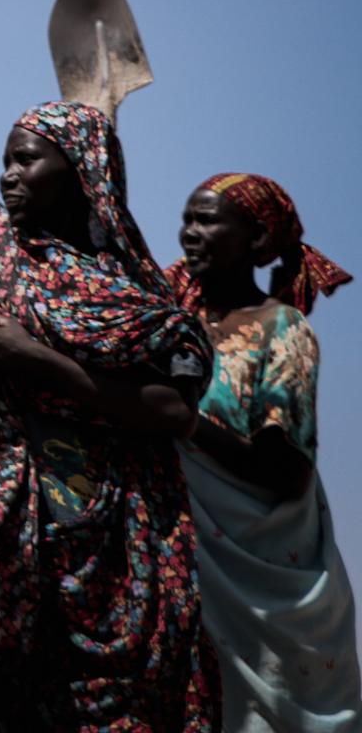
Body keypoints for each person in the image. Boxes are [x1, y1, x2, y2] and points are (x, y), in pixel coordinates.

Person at [0, 0, 218, 730]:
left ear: (83, 171)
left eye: (28, 159)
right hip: (11, 545)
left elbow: (172, 408)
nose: (9, 176)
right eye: (6, 161)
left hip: (120, 542)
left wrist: (49, 367)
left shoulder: (139, 299)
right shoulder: (2, 250)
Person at [168, 172, 360, 732]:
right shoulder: (173, 323)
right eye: (186, 220)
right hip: (189, 568)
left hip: (266, 581)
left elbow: (287, 469)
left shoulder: (283, 329)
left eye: (206, 220)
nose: (189, 234)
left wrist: (186, 424)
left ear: (255, 239)